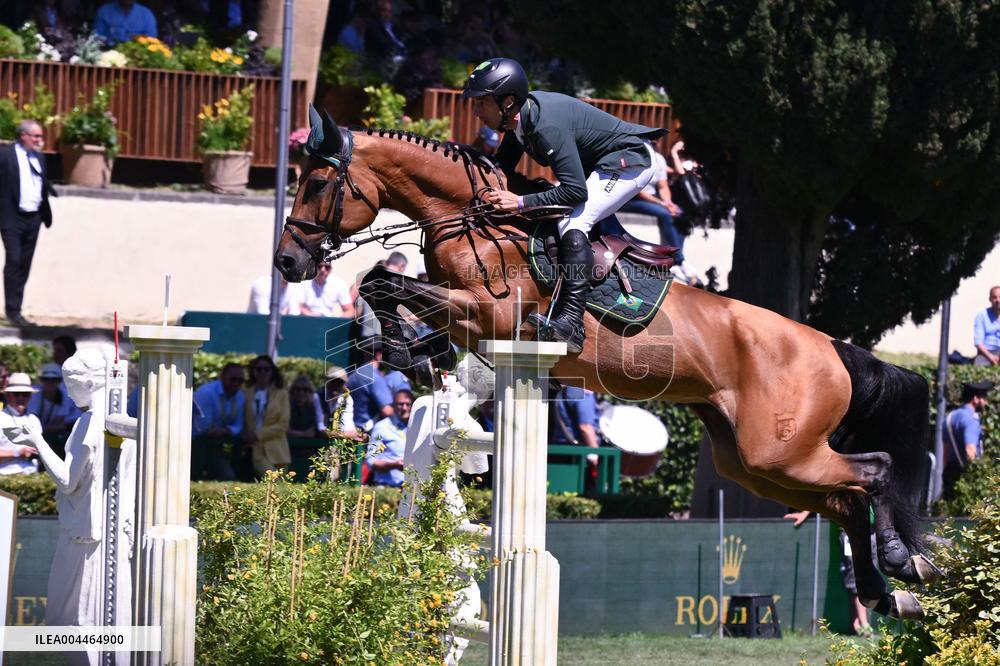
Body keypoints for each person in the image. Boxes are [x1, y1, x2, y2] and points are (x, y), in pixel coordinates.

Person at [464, 57, 665, 352]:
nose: (476, 112)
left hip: (628, 161)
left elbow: (574, 192)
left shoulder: (545, 126)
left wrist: (519, 202)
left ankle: (572, 322)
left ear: (507, 102)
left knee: (573, 221)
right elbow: (498, 168)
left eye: (482, 102)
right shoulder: (519, 120)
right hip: (599, 164)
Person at [4, 350, 136, 652]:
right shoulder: (123, 423)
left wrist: (36, 440)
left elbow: (66, 480)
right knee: (98, 621)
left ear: (86, 382)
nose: (67, 391)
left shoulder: (88, 422)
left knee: (72, 620)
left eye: (69, 383)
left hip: (85, 536)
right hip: (107, 533)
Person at [0, 120, 56, 327]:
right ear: (23, 135)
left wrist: (42, 214)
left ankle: (17, 309)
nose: (40, 140)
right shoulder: (5, 155)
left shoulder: (39, 157)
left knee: (24, 264)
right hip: (11, 217)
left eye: (41, 136)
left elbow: (41, 186)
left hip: (33, 218)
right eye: (36, 136)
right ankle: (12, 311)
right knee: (14, 260)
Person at [617, 148, 700, 284]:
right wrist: (662, 204)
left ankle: (678, 260)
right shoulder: (633, 156)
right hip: (631, 199)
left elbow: (663, 186)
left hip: (653, 198)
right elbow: (638, 190)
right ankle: (678, 260)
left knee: (680, 214)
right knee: (665, 214)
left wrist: (669, 203)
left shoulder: (659, 159)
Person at [192, 362, 246, 481]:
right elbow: (202, 426)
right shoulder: (207, 392)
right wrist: (223, 431)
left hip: (221, 442)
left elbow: (239, 425)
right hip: (197, 442)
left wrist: (226, 430)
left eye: (240, 380)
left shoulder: (240, 396)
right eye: (233, 379)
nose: (236, 383)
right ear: (222, 377)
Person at [943, 380, 993, 496]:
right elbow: (970, 450)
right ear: (975, 398)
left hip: (949, 473)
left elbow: (945, 451)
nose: (985, 402)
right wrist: (976, 476)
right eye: (984, 398)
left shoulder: (950, 417)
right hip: (964, 476)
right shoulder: (971, 420)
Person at [242, 355, 290, 476]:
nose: (262, 372)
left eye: (266, 369)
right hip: (254, 448)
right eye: (258, 369)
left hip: (278, 450)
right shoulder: (244, 392)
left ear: (272, 372)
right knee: (272, 480)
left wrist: (258, 434)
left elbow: (283, 425)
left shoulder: (281, 393)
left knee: (282, 485)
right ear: (253, 371)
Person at [549, 385, 601, 474]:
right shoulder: (580, 390)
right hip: (576, 454)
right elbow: (586, 427)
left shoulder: (567, 389)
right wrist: (595, 453)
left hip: (562, 449)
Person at [366, 389, 412, 487]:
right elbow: (371, 461)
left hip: (411, 488)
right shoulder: (381, 427)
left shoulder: (418, 427)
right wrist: (394, 465)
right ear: (393, 405)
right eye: (400, 404)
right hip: (387, 487)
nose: (404, 408)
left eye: (408, 404)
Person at [0, 373, 41, 474]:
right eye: (17, 394)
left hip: (33, 475)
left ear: (30, 396)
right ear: (8, 395)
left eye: (25, 394)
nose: (21, 398)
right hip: (6, 475)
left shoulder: (34, 420)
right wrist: (17, 453)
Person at [347, 345, 394, 433]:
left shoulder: (352, 376)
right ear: (378, 355)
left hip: (351, 431)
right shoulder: (376, 377)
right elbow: (387, 411)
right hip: (369, 433)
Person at [28, 363, 80, 438]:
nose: (50, 383)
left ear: (59, 381)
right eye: (46, 380)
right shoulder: (34, 395)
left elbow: (58, 422)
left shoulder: (64, 396)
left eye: (54, 380)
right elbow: (31, 421)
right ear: (42, 380)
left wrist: (43, 428)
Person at [94, 0, 158, 44]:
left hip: (137, 54)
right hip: (109, 53)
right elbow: (97, 37)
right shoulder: (104, 11)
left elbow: (152, 39)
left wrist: (138, 38)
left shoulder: (146, 14)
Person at [287, 375, 325, 439]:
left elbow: (315, 430)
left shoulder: (313, 406)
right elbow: (284, 430)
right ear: (292, 391)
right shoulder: (287, 406)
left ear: (310, 392)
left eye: (305, 389)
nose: (301, 392)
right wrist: (303, 434)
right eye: (297, 389)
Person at [324, 365, 357, 438]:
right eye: (333, 381)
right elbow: (317, 429)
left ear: (345, 385)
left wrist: (331, 434)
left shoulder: (346, 399)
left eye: (339, 382)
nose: (335, 385)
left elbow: (350, 430)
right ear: (326, 381)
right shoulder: (318, 396)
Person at [973, 286, 1000, 366]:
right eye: (995, 297)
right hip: (986, 353)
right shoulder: (982, 316)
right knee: (980, 367)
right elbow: (978, 342)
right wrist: (991, 357)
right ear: (990, 299)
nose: (998, 300)